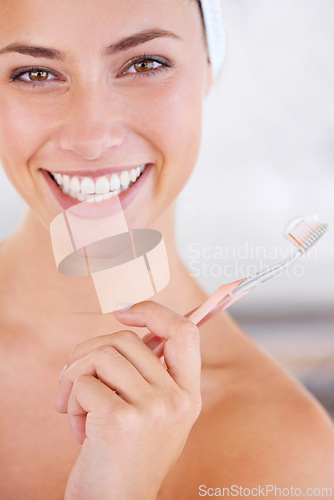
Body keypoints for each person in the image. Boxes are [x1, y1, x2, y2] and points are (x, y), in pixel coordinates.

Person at [0, 0, 333, 499]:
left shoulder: (291, 455)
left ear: (208, 71)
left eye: (144, 64)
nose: (91, 138)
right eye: (34, 73)